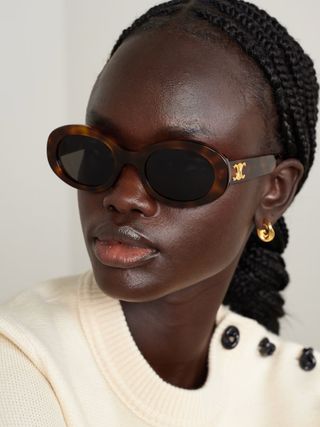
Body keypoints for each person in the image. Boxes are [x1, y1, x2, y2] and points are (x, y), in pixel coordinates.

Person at [1, 0, 319, 426]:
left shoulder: (302, 392)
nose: (124, 196)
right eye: (97, 152)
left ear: (273, 192)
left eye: (181, 167)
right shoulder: (21, 363)